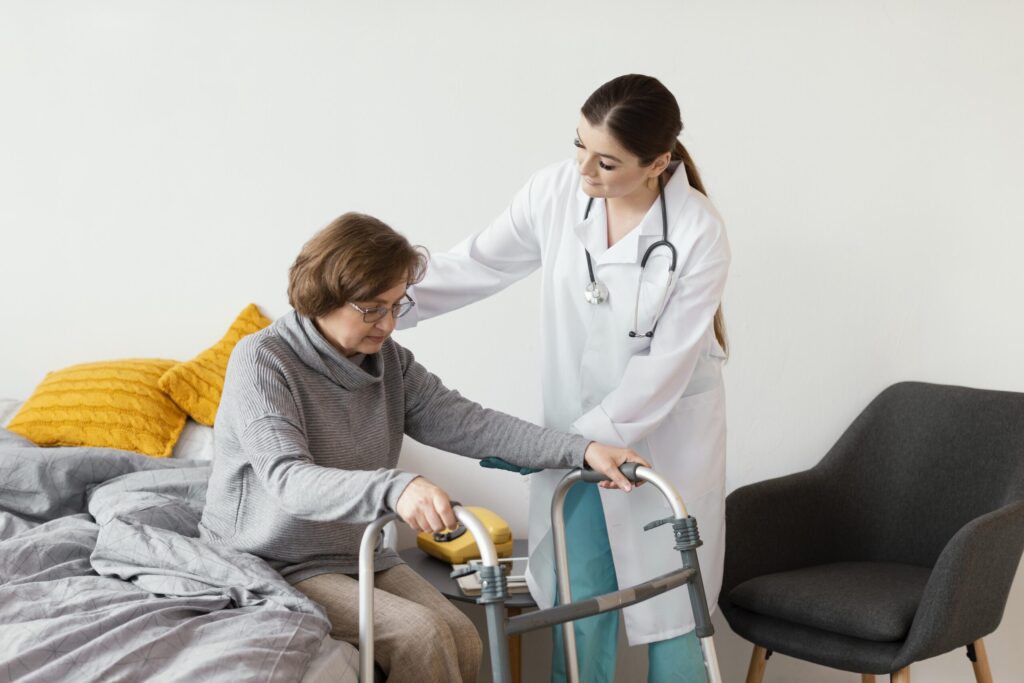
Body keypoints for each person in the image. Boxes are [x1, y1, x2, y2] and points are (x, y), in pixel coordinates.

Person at [197, 212, 648, 683]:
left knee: (464, 635)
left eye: (397, 305)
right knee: (422, 635)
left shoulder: (387, 361)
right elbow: (287, 479)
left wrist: (583, 450)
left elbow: (470, 423)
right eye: (372, 308)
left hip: (355, 552)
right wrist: (397, 487)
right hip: (273, 558)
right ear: (321, 296)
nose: (388, 324)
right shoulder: (263, 360)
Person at [399, 74, 730, 682]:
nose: (585, 169)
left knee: (673, 615)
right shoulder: (554, 193)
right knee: (581, 611)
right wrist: (386, 300)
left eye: (607, 161)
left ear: (659, 162)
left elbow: (664, 369)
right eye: (579, 145)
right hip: (574, 445)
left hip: (661, 446)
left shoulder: (696, 232)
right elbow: (476, 262)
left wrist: (577, 444)